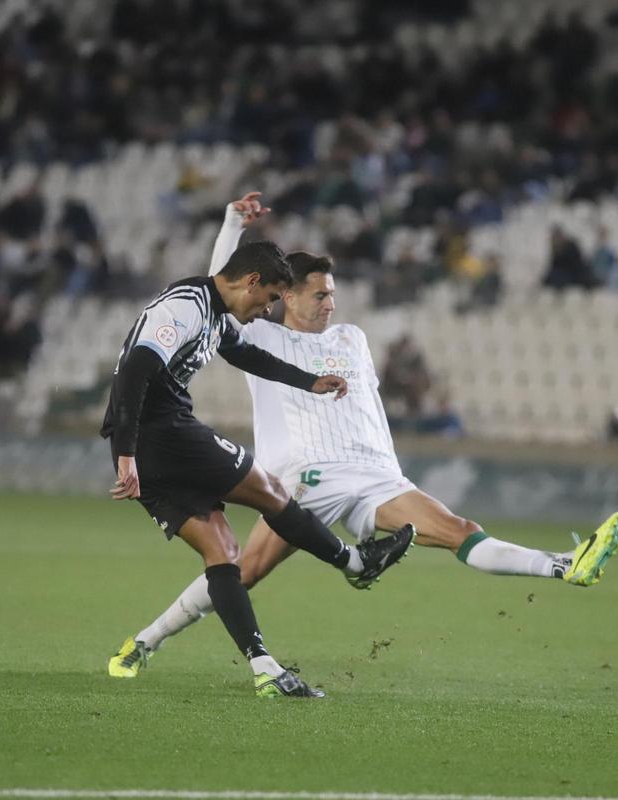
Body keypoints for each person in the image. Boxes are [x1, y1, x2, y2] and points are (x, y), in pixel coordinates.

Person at [108, 196, 618, 679]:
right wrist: (232, 226)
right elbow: (221, 284)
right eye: (318, 295)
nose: (330, 304)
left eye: (333, 294)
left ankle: (564, 566)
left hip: (376, 476)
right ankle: (147, 642)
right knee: (241, 571)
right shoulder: (260, 330)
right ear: (282, 295)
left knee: (458, 528)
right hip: (307, 478)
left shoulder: (352, 339)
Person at [101, 192, 415, 698]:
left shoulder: (214, 310)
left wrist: (309, 381)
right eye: (267, 298)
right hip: (163, 436)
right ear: (250, 283)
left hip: (155, 446)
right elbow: (136, 369)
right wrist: (127, 453)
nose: (266, 309)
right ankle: (356, 564)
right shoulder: (184, 307)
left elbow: (248, 356)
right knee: (271, 490)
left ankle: (264, 668)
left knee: (224, 555)